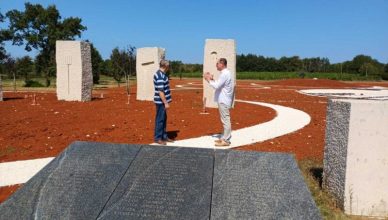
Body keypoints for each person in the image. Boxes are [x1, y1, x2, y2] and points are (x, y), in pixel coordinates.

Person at [204, 58, 235, 146]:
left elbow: (217, 86)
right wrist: (212, 79)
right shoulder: (225, 73)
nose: (216, 65)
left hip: (223, 100)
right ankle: (223, 137)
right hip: (223, 99)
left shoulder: (224, 74)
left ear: (222, 64)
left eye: (217, 63)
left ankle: (226, 140)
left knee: (225, 119)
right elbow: (219, 84)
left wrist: (208, 79)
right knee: (224, 119)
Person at [153, 59, 173, 145]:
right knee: (160, 119)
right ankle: (158, 138)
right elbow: (161, 91)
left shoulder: (162, 74)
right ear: (165, 66)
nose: (169, 67)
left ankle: (164, 136)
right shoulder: (160, 76)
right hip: (161, 102)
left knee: (163, 119)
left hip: (162, 102)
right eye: (168, 66)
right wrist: (165, 102)